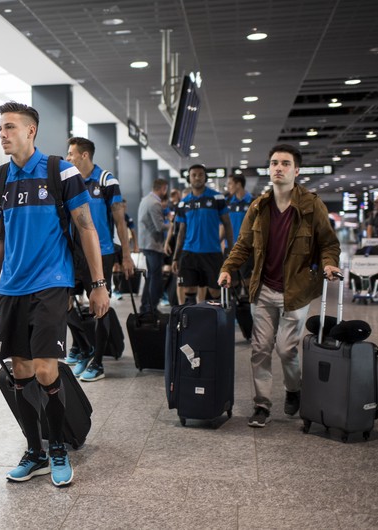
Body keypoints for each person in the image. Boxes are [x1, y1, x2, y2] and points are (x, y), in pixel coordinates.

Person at [0, 103, 110, 487]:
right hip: (12, 288)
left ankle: (57, 449)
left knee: (45, 368)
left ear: (31, 131)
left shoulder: (60, 171)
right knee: (19, 372)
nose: (3, 134)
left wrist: (98, 285)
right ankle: (34, 450)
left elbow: (85, 228)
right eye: (0, 127)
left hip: (52, 284)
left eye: (10, 127)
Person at [218, 144, 341, 428]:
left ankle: (293, 390)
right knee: (260, 349)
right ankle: (262, 405)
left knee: (287, 349)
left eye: (285, 163)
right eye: (274, 163)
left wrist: (329, 263)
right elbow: (243, 244)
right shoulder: (259, 206)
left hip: (296, 292)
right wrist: (228, 268)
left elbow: (328, 243)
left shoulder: (312, 205)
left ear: (296, 171)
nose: (278, 167)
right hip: (263, 289)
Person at [63, 137, 132, 383]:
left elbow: (120, 221)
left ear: (84, 155)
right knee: (64, 302)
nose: (68, 157)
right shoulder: (69, 181)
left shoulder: (105, 180)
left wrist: (126, 255)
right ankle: (84, 347)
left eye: (71, 153)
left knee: (99, 308)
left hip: (101, 252)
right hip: (74, 253)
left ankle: (98, 362)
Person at [172, 165, 233, 304]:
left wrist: (230, 248)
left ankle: (217, 323)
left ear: (205, 177)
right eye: (194, 175)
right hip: (189, 253)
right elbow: (181, 231)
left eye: (200, 174)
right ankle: (192, 323)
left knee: (215, 291)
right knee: (189, 290)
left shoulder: (217, 198)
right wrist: (176, 257)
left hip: (212, 252)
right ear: (189, 178)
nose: (197, 177)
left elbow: (227, 224)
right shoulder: (183, 203)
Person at [137, 178, 169, 314]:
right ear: (163, 188)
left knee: (150, 276)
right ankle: (151, 308)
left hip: (146, 243)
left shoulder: (145, 199)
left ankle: (145, 306)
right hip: (153, 245)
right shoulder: (155, 203)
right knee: (155, 278)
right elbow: (159, 227)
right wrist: (173, 224)